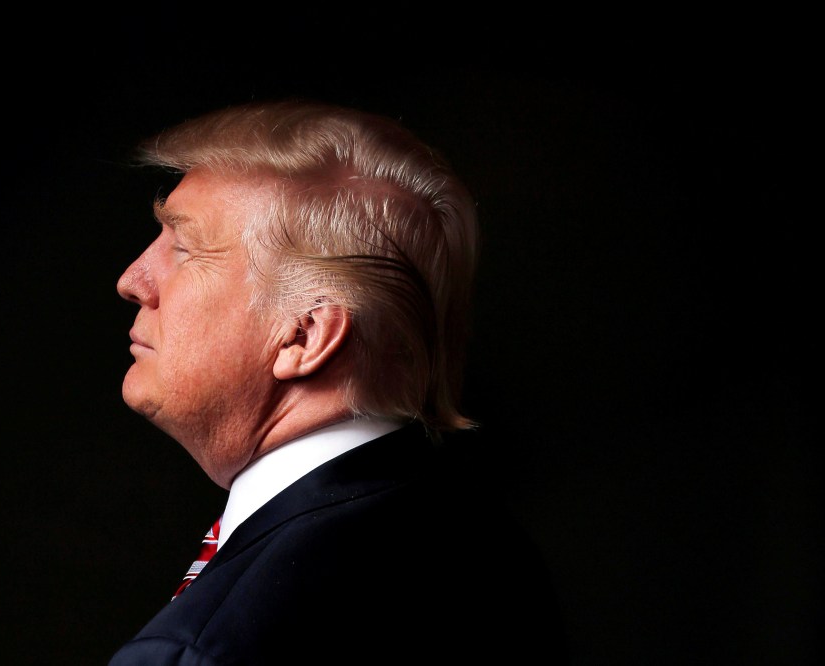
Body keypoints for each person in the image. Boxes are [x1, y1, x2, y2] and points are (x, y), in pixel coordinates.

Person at [108, 98, 569, 664]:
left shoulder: (206, 647)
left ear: (304, 336)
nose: (133, 280)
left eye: (184, 248)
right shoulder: (491, 547)